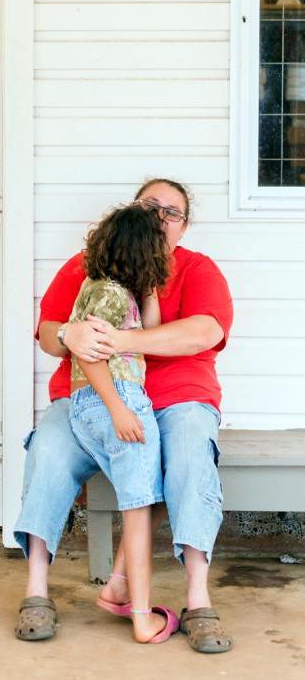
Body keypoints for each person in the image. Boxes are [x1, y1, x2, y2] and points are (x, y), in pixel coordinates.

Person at [13, 178, 234, 654]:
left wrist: (124, 341)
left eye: (171, 211)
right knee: (48, 449)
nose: (159, 216)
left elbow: (203, 331)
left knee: (190, 454)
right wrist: (69, 336)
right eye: (149, 205)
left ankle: (197, 598)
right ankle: (36, 591)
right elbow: (47, 331)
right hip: (90, 397)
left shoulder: (197, 269)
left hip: (177, 395)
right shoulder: (90, 267)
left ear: (185, 226)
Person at [65, 203, 178, 644]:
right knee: (137, 508)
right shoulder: (110, 295)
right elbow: (88, 355)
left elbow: (150, 330)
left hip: (95, 403)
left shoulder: (107, 290)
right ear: (145, 251)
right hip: (116, 397)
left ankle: (116, 587)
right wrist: (118, 408)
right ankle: (142, 617)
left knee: (145, 498)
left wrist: (148, 289)